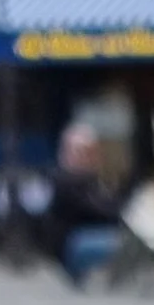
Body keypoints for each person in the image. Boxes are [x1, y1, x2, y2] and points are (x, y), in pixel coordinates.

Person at [45, 123, 124, 288]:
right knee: (123, 242)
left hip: (83, 238)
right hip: (71, 245)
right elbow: (97, 210)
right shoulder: (66, 180)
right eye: (80, 152)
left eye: (90, 152)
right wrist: (124, 213)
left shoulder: (89, 180)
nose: (87, 157)